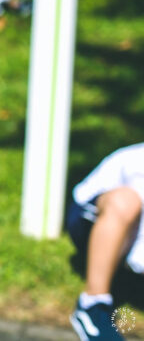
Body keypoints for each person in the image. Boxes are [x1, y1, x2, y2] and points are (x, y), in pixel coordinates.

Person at [67, 144, 144, 341]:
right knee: (125, 201)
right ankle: (92, 303)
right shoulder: (133, 163)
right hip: (94, 226)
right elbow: (83, 203)